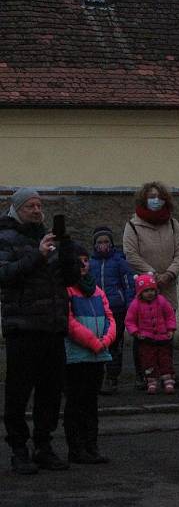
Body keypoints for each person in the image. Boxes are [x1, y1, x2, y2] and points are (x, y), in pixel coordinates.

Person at [1, 188, 80, 474]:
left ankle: (43, 446)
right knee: (18, 393)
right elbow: (5, 275)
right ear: (17, 209)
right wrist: (37, 256)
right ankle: (19, 450)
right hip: (23, 328)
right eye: (30, 206)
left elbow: (70, 279)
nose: (37, 210)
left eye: (39, 205)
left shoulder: (50, 238)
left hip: (53, 327)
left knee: (50, 391)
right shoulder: (5, 236)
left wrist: (67, 249)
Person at [123, 182, 179, 389]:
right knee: (143, 334)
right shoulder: (133, 225)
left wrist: (169, 273)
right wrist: (152, 275)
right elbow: (131, 254)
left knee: (165, 330)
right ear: (143, 199)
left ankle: (167, 373)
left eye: (159, 196)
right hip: (145, 287)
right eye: (151, 196)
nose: (155, 200)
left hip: (167, 286)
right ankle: (145, 375)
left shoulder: (173, 224)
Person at [63, 245, 116, 463]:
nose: (84, 264)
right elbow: (69, 323)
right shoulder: (66, 290)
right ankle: (76, 449)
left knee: (91, 404)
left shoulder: (97, 290)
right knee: (76, 402)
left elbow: (110, 317)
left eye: (86, 260)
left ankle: (91, 446)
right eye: (79, 260)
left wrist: (106, 340)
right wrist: (95, 342)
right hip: (76, 357)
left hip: (97, 354)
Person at [89, 226, 136, 396]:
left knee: (115, 345)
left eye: (106, 242)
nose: (103, 245)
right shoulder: (90, 263)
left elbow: (129, 285)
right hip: (96, 310)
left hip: (117, 309)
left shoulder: (119, 262)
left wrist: (129, 305)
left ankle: (112, 377)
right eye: (100, 242)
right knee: (97, 343)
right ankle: (97, 377)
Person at [125, 274, 178, 395]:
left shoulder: (162, 301)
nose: (150, 293)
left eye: (152, 290)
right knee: (148, 361)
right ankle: (151, 381)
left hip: (163, 337)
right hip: (146, 339)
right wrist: (136, 332)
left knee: (165, 359)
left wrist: (170, 329)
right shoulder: (135, 304)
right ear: (140, 292)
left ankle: (168, 380)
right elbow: (130, 321)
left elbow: (170, 316)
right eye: (146, 291)